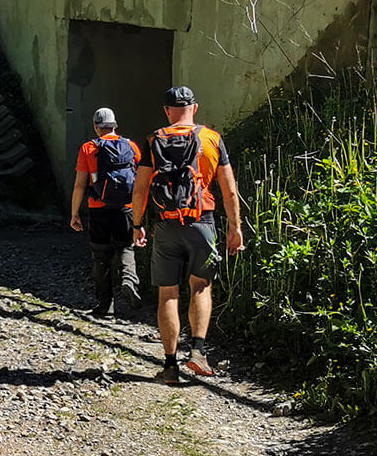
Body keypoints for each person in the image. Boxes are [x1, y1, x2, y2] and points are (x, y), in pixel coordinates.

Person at [129, 86, 245, 385]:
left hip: (166, 225)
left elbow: (140, 189)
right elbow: (229, 190)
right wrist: (235, 227)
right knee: (200, 286)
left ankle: (169, 365)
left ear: (167, 111)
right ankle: (198, 351)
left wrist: (137, 223)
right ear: (195, 107)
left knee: (168, 292)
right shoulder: (211, 139)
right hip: (202, 222)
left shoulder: (154, 139)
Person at [69, 107, 143, 319]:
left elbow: (79, 186)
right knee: (127, 247)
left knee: (101, 255)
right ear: (115, 125)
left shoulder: (88, 148)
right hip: (126, 208)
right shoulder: (131, 146)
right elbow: (139, 180)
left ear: (96, 126)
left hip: (98, 208)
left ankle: (105, 305)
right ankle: (129, 279)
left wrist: (75, 213)